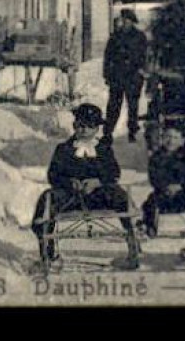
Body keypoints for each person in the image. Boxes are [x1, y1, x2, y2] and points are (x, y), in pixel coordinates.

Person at [31, 103, 141, 269]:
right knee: (48, 198)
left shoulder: (103, 149)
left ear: (97, 129)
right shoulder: (64, 149)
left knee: (119, 194)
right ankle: (47, 250)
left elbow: (114, 172)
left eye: (89, 126)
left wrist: (98, 181)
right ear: (75, 126)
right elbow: (53, 175)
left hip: (98, 196)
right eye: (80, 125)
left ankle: (133, 242)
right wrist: (69, 182)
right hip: (71, 197)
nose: (84, 130)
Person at [141, 125, 185, 237]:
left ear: (182, 141)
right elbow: (153, 177)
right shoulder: (156, 157)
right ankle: (150, 227)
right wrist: (165, 186)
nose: (171, 141)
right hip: (163, 192)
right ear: (162, 139)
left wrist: (181, 186)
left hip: (183, 191)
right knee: (150, 203)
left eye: (175, 138)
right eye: (167, 137)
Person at [104, 8, 148, 143]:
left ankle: (132, 132)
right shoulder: (115, 36)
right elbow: (108, 57)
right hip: (117, 77)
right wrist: (107, 74)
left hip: (133, 76)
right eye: (122, 20)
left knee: (133, 105)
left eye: (127, 20)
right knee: (113, 105)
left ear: (132, 21)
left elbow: (144, 56)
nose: (123, 23)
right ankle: (108, 132)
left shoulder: (140, 37)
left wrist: (141, 70)